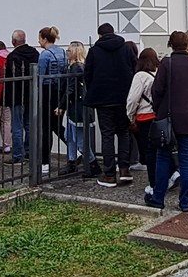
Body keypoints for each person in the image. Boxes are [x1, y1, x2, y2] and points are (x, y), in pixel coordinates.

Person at [146, 30, 188, 211]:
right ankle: (185, 202)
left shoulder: (167, 63)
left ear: (170, 44)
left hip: (168, 118)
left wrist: (159, 109)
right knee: (187, 160)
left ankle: (158, 197)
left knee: (163, 157)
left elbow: (157, 90)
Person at [83, 23, 137, 187]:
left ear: (100, 35)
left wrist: (95, 88)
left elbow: (88, 74)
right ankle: (125, 170)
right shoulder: (126, 48)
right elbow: (134, 69)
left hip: (103, 98)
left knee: (107, 135)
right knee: (124, 133)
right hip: (123, 97)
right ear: (114, 32)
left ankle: (109, 174)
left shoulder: (95, 51)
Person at [58, 41, 99, 178]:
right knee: (69, 136)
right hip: (75, 105)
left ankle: (93, 165)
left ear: (75, 52)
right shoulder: (76, 67)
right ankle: (72, 162)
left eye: (69, 50)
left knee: (79, 139)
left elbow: (71, 89)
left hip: (78, 107)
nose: (67, 53)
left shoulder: (77, 68)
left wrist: (61, 106)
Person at [125, 47, 160, 190]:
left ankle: (154, 183)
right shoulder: (158, 73)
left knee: (149, 152)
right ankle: (169, 175)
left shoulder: (140, 76)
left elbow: (133, 100)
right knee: (160, 151)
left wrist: (130, 116)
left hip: (144, 117)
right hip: (158, 116)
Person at [5, 30, 39, 165]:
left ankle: (18, 155)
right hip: (30, 93)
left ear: (13, 42)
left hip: (16, 94)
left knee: (17, 126)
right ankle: (29, 152)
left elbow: (11, 77)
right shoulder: (34, 53)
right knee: (29, 124)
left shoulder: (13, 56)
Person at [37, 26, 68, 159]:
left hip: (47, 91)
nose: (38, 41)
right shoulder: (62, 52)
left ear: (44, 39)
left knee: (46, 127)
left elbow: (40, 75)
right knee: (55, 124)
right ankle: (76, 149)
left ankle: (44, 160)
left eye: (39, 38)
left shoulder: (45, 55)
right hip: (60, 91)